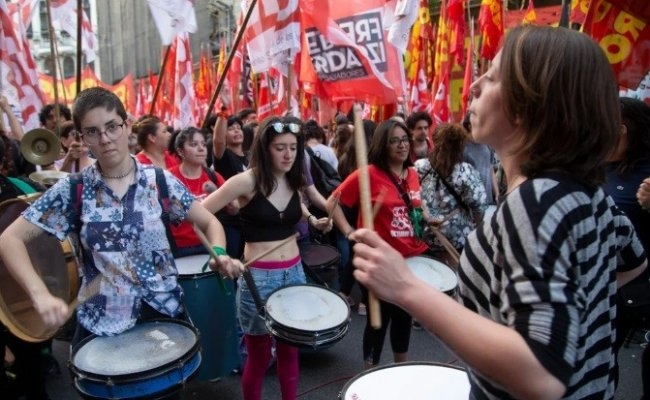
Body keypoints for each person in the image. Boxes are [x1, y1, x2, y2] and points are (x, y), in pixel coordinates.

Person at [348, 26, 647, 399]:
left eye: (490, 78)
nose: (473, 86)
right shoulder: (588, 195)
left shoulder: (537, 206)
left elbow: (539, 375)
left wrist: (404, 287)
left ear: (524, 107)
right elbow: (634, 262)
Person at [0, 87, 241, 349]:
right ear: (83, 138)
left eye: (112, 126)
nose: (104, 138)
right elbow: (9, 240)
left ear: (127, 127)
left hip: (165, 314)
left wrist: (219, 252)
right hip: (104, 324)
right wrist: (40, 295)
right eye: (92, 131)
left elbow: (208, 222)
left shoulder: (159, 181)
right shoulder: (73, 190)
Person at [202, 116, 331, 400]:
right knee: (259, 356)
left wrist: (312, 220)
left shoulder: (292, 178)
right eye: (280, 148)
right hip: (258, 278)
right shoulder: (245, 181)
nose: (288, 155)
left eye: (293, 148)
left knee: (289, 350)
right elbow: (200, 214)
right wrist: (220, 253)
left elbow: (293, 207)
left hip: (295, 273)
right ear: (265, 148)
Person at [327, 118, 429, 370]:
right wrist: (349, 231)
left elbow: (415, 204)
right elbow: (332, 202)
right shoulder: (368, 174)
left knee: (403, 317)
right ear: (382, 145)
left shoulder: (413, 173)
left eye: (404, 139)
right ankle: (369, 376)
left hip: (409, 260)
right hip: (378, 261)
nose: (401, 145)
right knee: (378, 320)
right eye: (393, 141)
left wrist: (426, 218)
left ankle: (400, 373)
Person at [604, 97, 650, 392]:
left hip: (636, 287)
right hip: (604, 288)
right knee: (602, 361)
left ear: (621, 130)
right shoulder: (598, 165)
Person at [415, 123, 488, 262]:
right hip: (457, 239)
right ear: (460, 146)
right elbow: (479, 207)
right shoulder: (466, 172)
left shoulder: (420, 167)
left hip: (424, 238)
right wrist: (476, 228)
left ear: (435, 142)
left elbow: (411, 196)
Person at [168, 126, 234, 257]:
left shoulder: (213, 176)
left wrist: (217, 192)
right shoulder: (168, 178)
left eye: (203, 144)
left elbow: (234, 209)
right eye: (193, 144)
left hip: (210, 247)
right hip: (178, 250)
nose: (201, 148)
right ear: (180, 151)